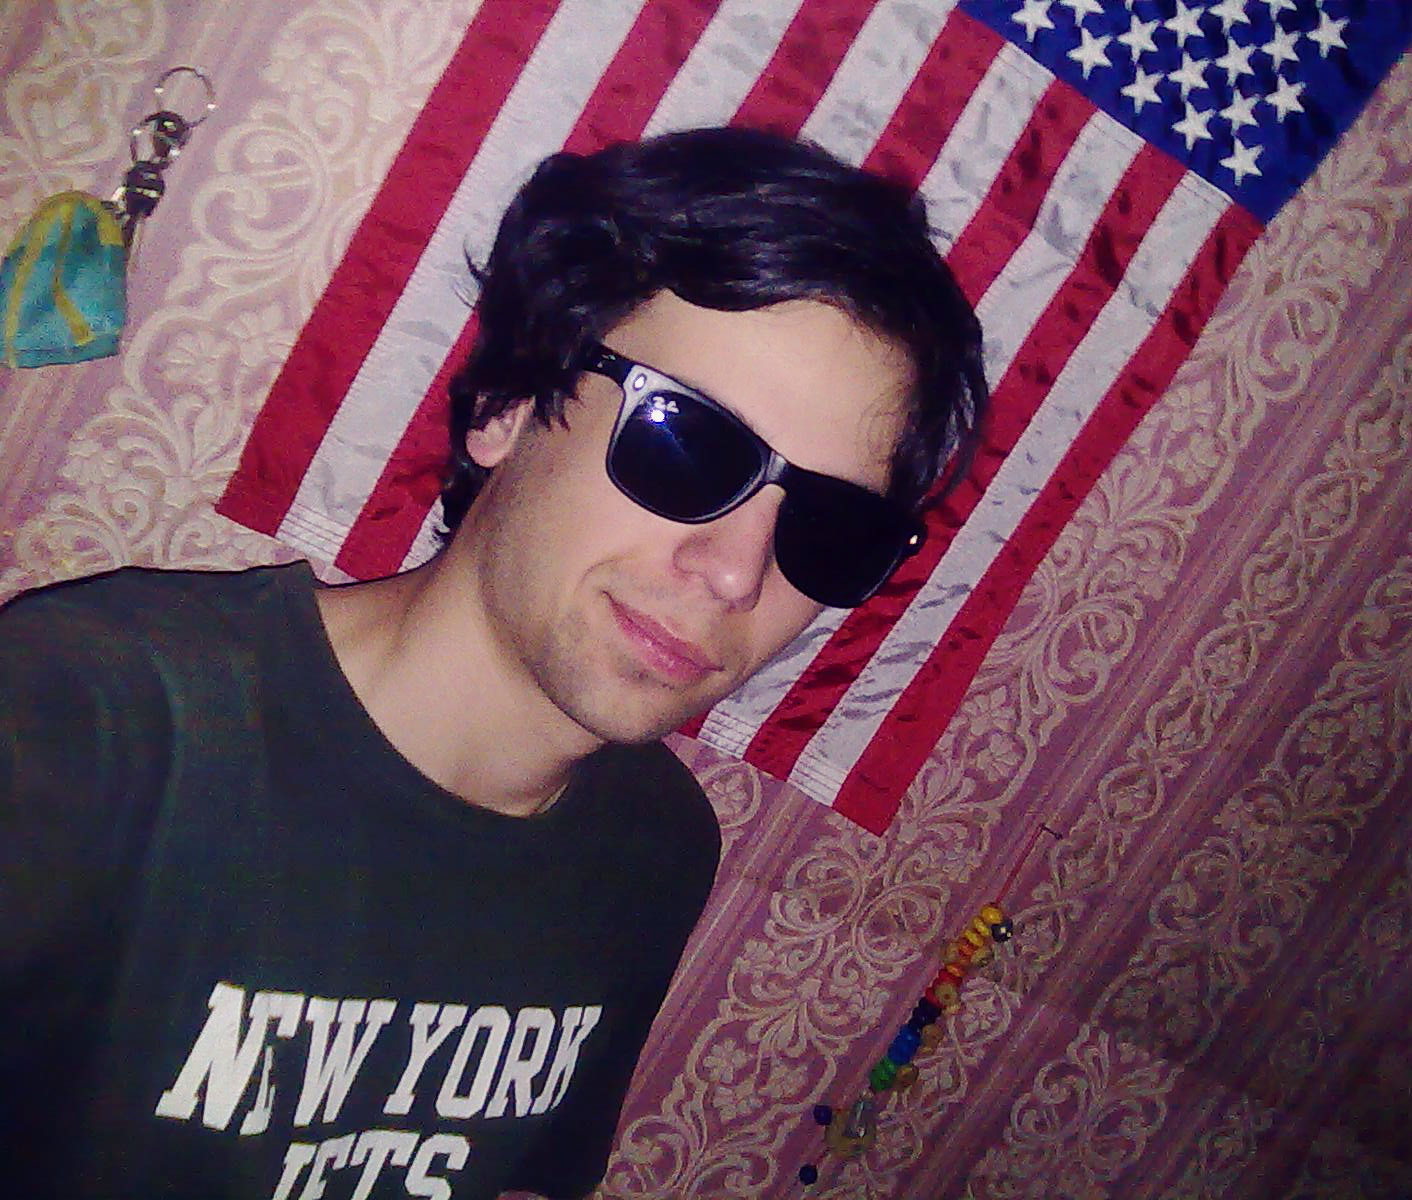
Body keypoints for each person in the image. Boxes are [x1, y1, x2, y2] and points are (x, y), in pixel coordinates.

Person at [0, 126, 986, 1199]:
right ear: (509, 407)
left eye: (832, 528)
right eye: (687, 442)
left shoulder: (653, 851)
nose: (735, 574)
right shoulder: (88, 716)